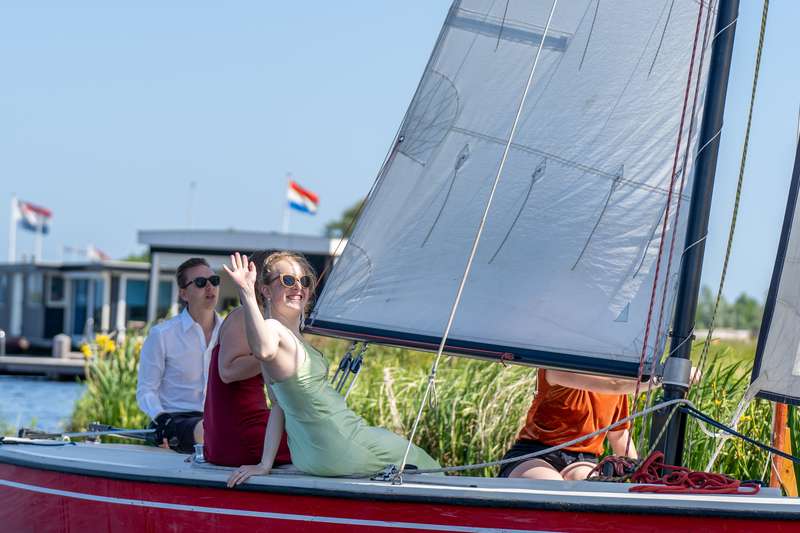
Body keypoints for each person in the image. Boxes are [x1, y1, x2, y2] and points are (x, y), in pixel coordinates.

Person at [223, 251, 440, 486]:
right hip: (339, 441)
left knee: (401, 453)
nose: (298, 287)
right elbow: (263, 350)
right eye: (288, 280)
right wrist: (247, 293)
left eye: (304, 281)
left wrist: (265, 464)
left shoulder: (291, 338)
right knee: (419, 460)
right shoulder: (273, 329)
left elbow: (278, 406)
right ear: (266, 290)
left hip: (311, 456)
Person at [203, 251, 292, 467]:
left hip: (234, 437)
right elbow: (228, 371)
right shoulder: (243, 316)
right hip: (242, 436)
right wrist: (273, 353)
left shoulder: (263, 321)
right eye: (286, 280)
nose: (295, 287)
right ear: (264, 285)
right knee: (319, 445)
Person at [498, 369, 649, 481]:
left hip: (583, 460)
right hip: (535, 454)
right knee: (551, 485)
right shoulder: (556, 368)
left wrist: (638, 476)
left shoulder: (617, 386)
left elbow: (618, 435)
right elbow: (614, 386)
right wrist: (657, 381)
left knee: (590, 487)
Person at [136, 257, 222, 453]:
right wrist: (160, 417)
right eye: (200, 282)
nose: (210, 287)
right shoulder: (161, 335)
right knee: (210, 430)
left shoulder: (231, 332)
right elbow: (146, 391)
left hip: (219, 419)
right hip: (176, 421)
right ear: (184, 293)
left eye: (214, 280)